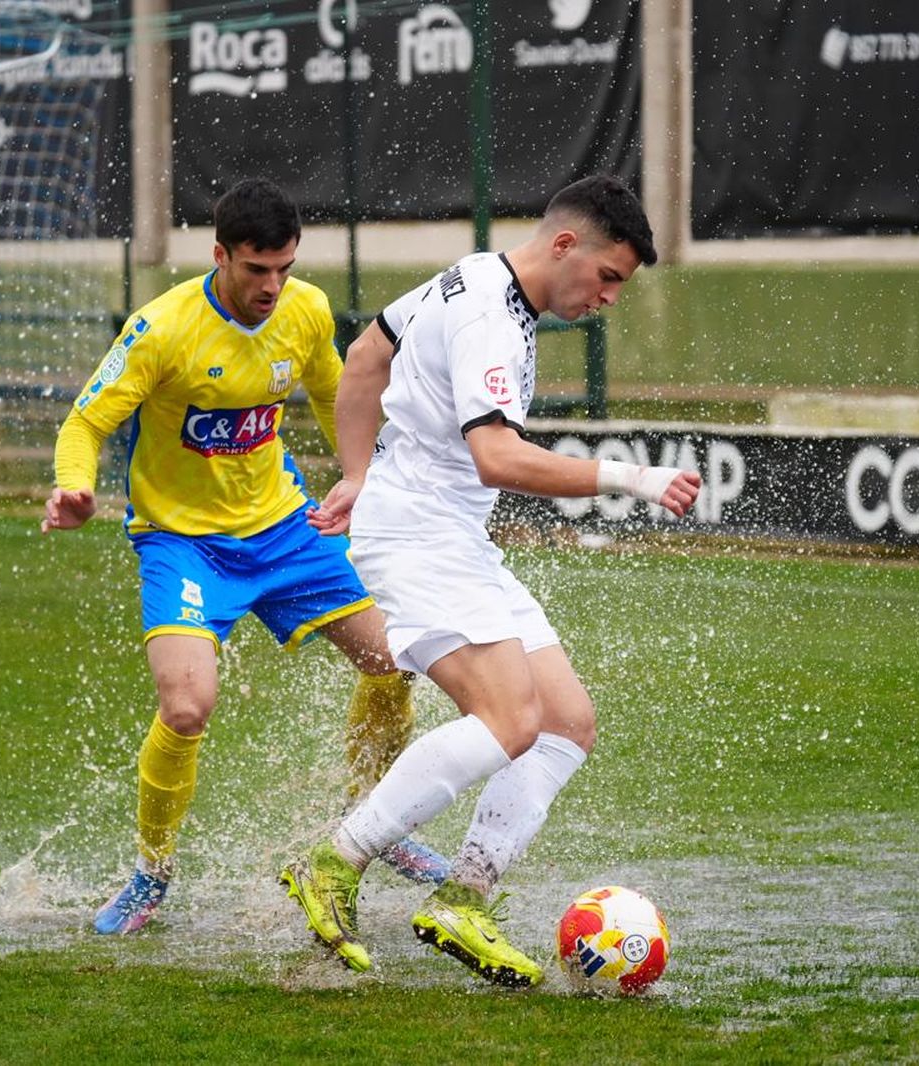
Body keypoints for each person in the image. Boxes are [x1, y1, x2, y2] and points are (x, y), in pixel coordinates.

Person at [279, 174, 701, 985]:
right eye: (608, 277)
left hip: (447, 533)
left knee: (566, 723)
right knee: (510, 718)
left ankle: (463, 900)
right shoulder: (490, 319)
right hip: (421, 539)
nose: (608, 298)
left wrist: (361, 473)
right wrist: (635, 480)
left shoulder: (474, 273)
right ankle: (332, 864)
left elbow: (366, 356)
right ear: (565, 244)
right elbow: (496, 456)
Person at [42, 178, 448, 936]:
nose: (272, 286)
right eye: (257, 269)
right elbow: (83, 424)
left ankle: (374, 819)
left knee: (398, 661)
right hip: (184, 545)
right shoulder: (161, 330)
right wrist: (73, 488)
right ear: (220, 255)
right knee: (187, 708)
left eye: (284, 268)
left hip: (288, 529)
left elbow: (337, 394)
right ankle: (150, 875)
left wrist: (361, 478)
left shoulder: (305, 311)